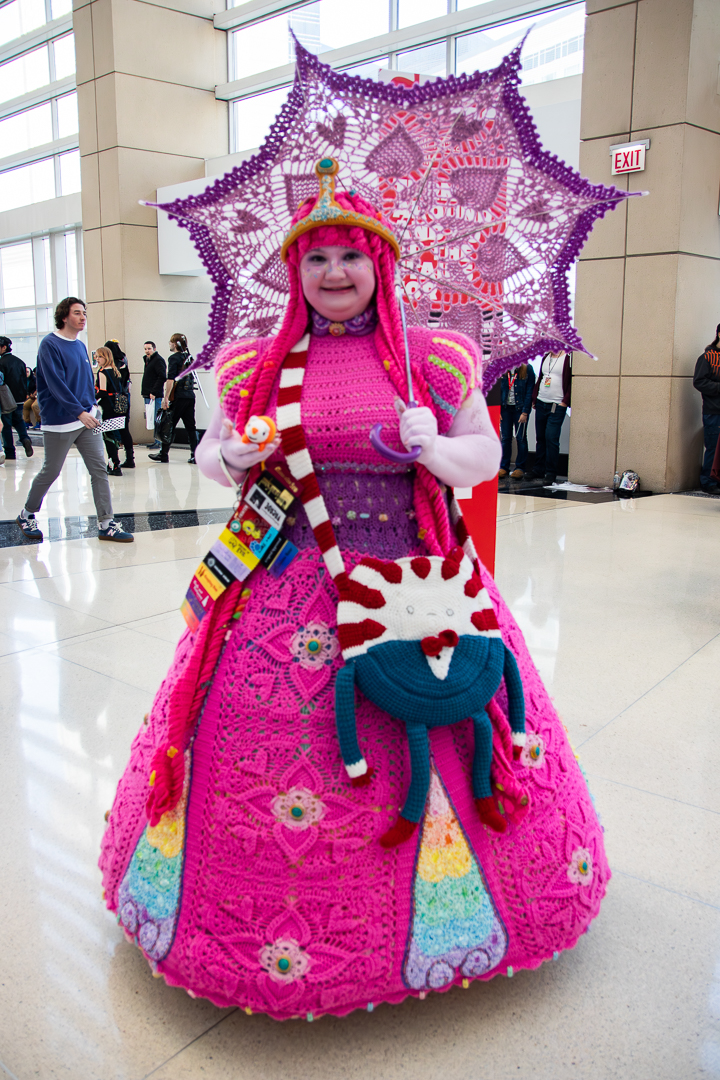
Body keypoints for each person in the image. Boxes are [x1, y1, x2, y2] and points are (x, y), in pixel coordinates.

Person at [100, 165, 607, 1018]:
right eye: (316, 258)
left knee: (448, 723)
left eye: (350, 257)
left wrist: (433, 448)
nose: (334, 272)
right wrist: (233, 457)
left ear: (381, 263)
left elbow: (483, 458)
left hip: (418, 587)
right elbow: (212, 453)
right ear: (294, 270)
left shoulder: (434, 357)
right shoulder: (254, 363)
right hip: (284, 582)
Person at [15, 297, 133, 543]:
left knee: (99, 470)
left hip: (86, 419)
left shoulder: (80, 345)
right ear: (64, 316)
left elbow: (87, 380)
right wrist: (79, 412)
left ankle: (106, 524)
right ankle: (26, 514)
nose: (83, 317)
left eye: (84, 313)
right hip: (60, 420)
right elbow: (56, 385)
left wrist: (92, 408)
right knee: (51, 471)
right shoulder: (50, 344)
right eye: (77, 313)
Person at [148, 332, 198, 464]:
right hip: (190, 396)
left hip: (179, 396)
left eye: (170, 342)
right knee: (191, 427)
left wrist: (166, 398)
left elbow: (170, 379)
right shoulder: (189, 358)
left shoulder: (173, 358)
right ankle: (195, 454)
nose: (169, 344)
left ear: (175, 344)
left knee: (168, 424)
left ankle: (163, 454)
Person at [528, 349, 572, 483]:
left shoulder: (567, 358)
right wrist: (535, 398)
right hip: (541, 402)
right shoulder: (546, 356)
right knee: (540, 438)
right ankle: (538, 469)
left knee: (551, 438)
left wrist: (565, 402)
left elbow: (571, 381)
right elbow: (541, 377)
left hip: (557, 404)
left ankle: (551, 472)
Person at [692, 324, 720, 493]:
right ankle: (708, 482)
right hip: (714, 411)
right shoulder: (707, 357)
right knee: (714, 447)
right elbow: (699, 382)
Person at [94, 346, 128, 476]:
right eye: (96, 357)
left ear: (106, 357)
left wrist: (92, 398)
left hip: (107, 407)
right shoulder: (115, 370)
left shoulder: (102, 372)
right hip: (118, 406)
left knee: (108, 437)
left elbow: (102, 391)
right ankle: (115, 463)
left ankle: (114, 464)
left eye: (100, 356)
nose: (97, 359)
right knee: (114, 435)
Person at [498, 364, 535, 479]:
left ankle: (520, 468)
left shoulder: (527, 368)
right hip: (505, 409)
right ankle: (504, 467)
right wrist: (497, 409)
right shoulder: (502, 367)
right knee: (506, 438)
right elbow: (497, 389)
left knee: (521, 438)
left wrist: (525, 412)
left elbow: (529, 392)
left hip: (520, 409)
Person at [0, 335, 33, 460]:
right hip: (20, 398)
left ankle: (10, 452)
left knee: (6, 425)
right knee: (19, 421)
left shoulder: (1, 363)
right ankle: (25, 439)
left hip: (6, 400)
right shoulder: (20, 362)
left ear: (3, 347)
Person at [105, 340, 135, 468]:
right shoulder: (124, 362)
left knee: (110, 430)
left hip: (113, 400)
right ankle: (130, 458)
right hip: (124, 398)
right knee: (125, 429)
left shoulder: (111, 366)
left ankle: (114, 460)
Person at [140, 340, 166, 449]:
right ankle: (156, 440)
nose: (147, 351)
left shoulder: (158, 360)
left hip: (154, 394)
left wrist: (154, 391)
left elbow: (162, 376)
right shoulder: (148, 360)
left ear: (154, 349)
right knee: (151, 417)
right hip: (148, 393)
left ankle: (158, 441)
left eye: (149, 349)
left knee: (156, 417)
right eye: (145, 349)